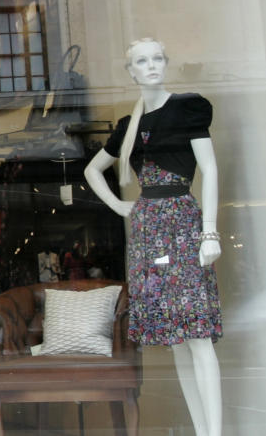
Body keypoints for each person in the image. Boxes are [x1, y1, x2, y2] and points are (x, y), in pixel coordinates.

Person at [84, 37, 223, 436]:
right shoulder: (129, 126)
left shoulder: (186, 108)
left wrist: (209, 231)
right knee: (176, 337)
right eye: (142, 61)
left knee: (196, 331)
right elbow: (93, 170)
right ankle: (201, 430)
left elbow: (209, 169)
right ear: (130, 71)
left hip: (182, 219)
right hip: (147, 228)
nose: (152, 66)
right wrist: (120, 206)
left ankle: (215, 432)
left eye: (158, 59)